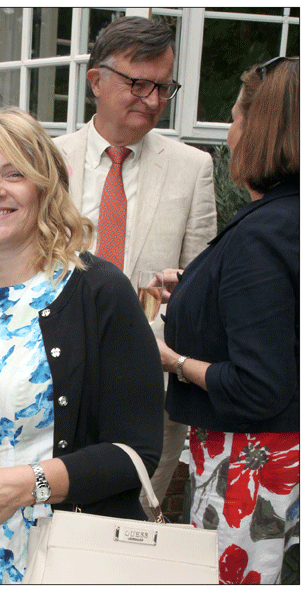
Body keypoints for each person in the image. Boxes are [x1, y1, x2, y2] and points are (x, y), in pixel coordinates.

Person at [0, 107, 165, 584]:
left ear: (45, 186)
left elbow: (137, 453)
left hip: (60, 555)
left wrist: (26, 485)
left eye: (14, 173)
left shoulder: (98, 292)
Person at [53, 15, 217, 514]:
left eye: (164, 87)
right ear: (96, 81)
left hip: (150, 394)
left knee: (132, 528)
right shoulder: (45, 161)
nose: (153, 99)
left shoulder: (194, 167)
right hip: (52, 381)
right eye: (139, 83)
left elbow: (202, 292)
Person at [157, 57, 299, 584]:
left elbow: (257, 385)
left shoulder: (262, 235)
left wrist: (173, 360)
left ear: (259, 130)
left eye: (234, 118)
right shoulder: (288, 219)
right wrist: (193, 289)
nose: (229, 134)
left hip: (254, 471)